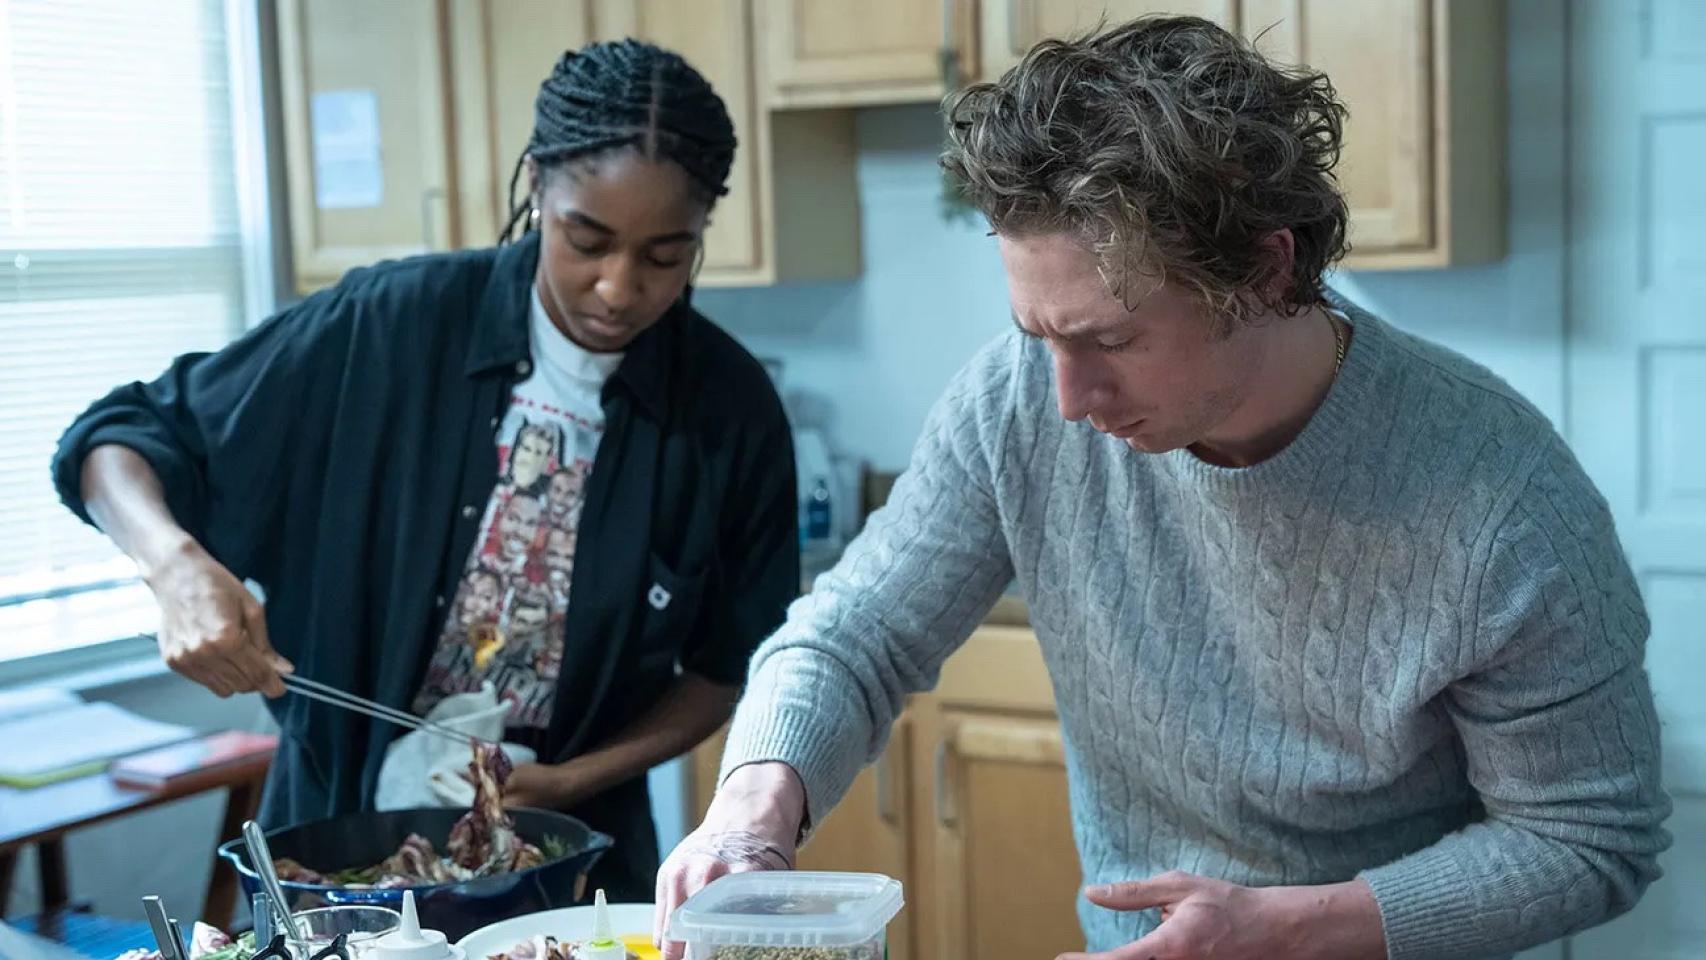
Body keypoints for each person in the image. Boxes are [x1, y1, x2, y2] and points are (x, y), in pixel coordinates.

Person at [654, 16, 1670, 960]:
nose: (1063, 398)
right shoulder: (1016, 405)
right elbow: (852, 636)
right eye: (1036, 336)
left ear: (1267, 274)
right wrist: (752, 804)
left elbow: (1586, 840)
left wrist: (1282, 929)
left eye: (1106, 339)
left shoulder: (1503, 501)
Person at [52, 39, 798, 902]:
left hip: (578, 863)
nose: (617, 288)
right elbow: (120, 435)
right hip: (332, 860)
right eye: (585, 240)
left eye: (666, 256)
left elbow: (724, 669)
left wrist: (571, 780)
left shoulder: (728, 409)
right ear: (536, 186)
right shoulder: (387, 327)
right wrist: (175, 568)